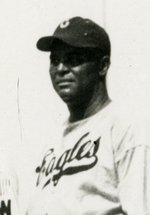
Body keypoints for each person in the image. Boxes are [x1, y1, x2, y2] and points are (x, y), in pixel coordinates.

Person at [27, 16, 150, 215]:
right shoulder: (51, 141)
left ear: (102, 66)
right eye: (55, 60)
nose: (60, 69)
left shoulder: (125, 128)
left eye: (73, 60)